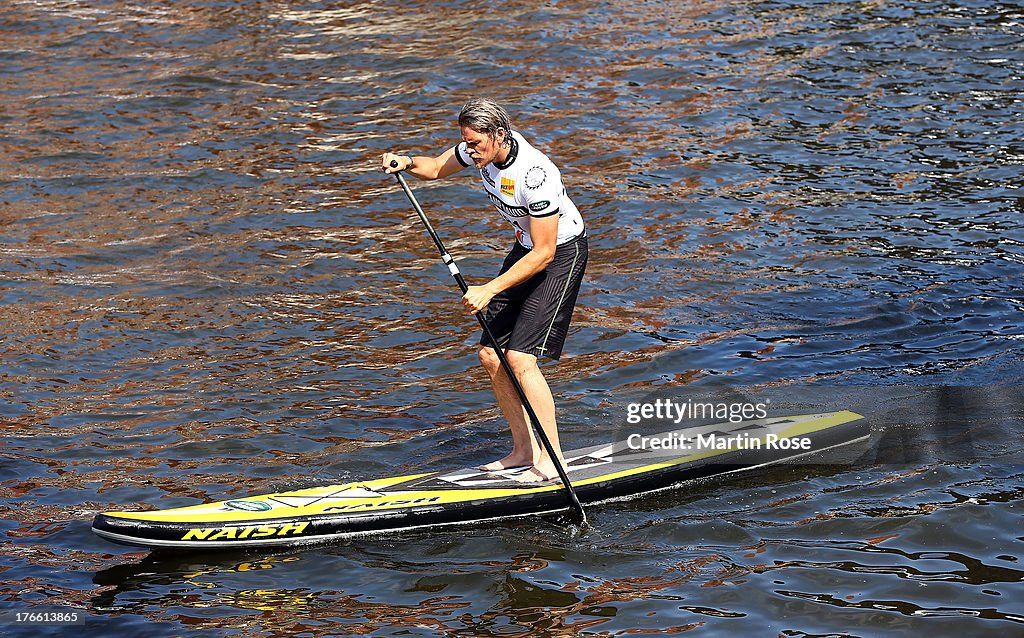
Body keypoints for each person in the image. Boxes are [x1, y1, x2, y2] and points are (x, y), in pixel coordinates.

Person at [381, 98, 588, 483]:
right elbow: (437, 168)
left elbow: (544, 253)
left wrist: (489, 289)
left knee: (521, 359)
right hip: (527, 249)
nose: (469, 150)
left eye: (475, 143)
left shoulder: (536, 175)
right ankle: (523, 449)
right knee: (491, 355)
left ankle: (553, 459)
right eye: (466, 142)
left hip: (560, 254)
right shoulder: (480, 149)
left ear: (499, 135)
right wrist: (407, 162)